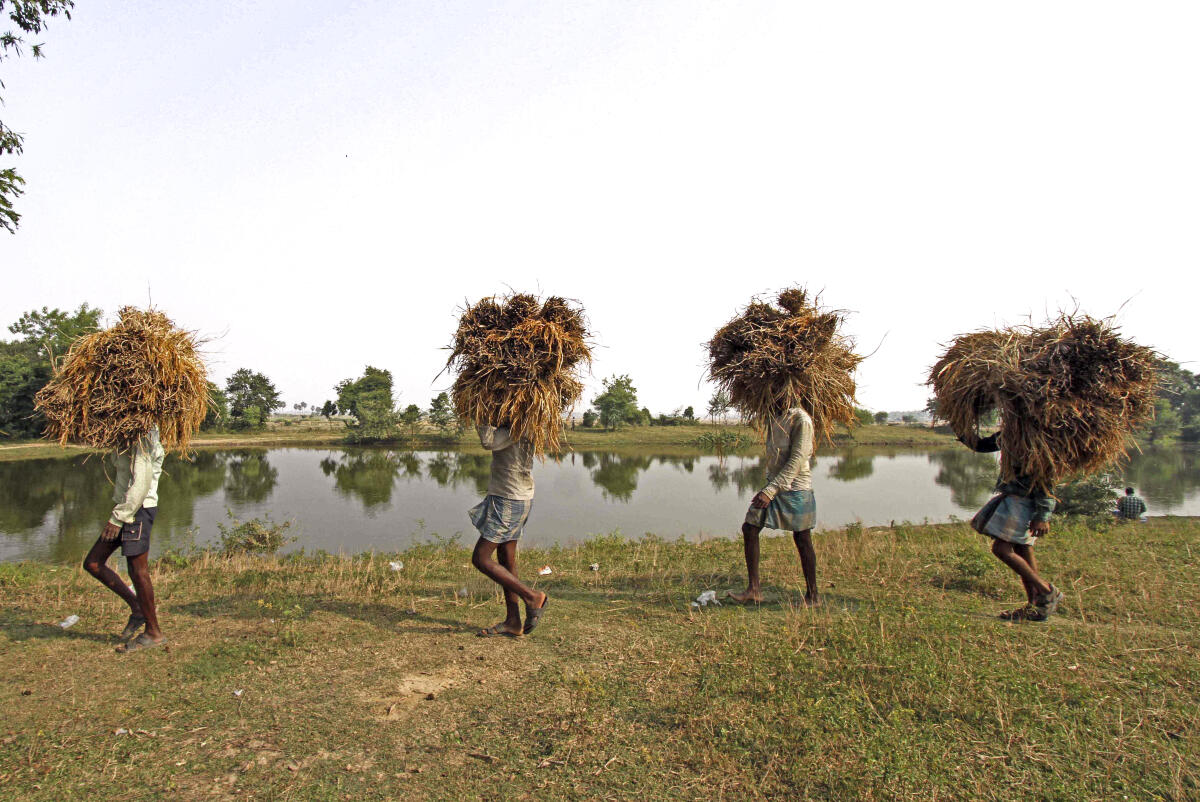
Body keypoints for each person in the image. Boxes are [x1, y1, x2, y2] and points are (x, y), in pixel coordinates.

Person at [962, 431, 1063, 622]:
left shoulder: (1035, 439)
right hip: (1017, 500)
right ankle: (1036, 605)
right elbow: (982, 445)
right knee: (1023, 549)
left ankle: (1047, 591)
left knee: (1001, 548)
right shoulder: (1010, 434)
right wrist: (961, 428)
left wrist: (1042, 516)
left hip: (1024, 502)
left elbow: (1046, 481)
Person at [82, 427, 167, 652]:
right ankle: (138, 608)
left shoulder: (143, 436)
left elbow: (142, 482)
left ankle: (154, 632)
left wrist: (118, 518)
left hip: (138, 510)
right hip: (124, 509)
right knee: (93, 563)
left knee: (138, 571)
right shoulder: (128, 435)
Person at [728, 404, 819, 605]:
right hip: (774, 484)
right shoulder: (774, 417)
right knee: (750, 528)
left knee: (802, 537)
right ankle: (754, 589)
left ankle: (813, 596)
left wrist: (770, 491)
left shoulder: (801, 420)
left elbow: (797, 459)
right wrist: (770, 485)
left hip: (796, 488)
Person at [469, 424, 548, 637]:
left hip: (509, 499)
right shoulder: (519, 424)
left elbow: (489, 441)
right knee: (506, 558)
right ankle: (513, 621)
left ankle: (532, 596)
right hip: (512, 496)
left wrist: (481, 414)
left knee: (481, 558)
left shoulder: (519, 425)